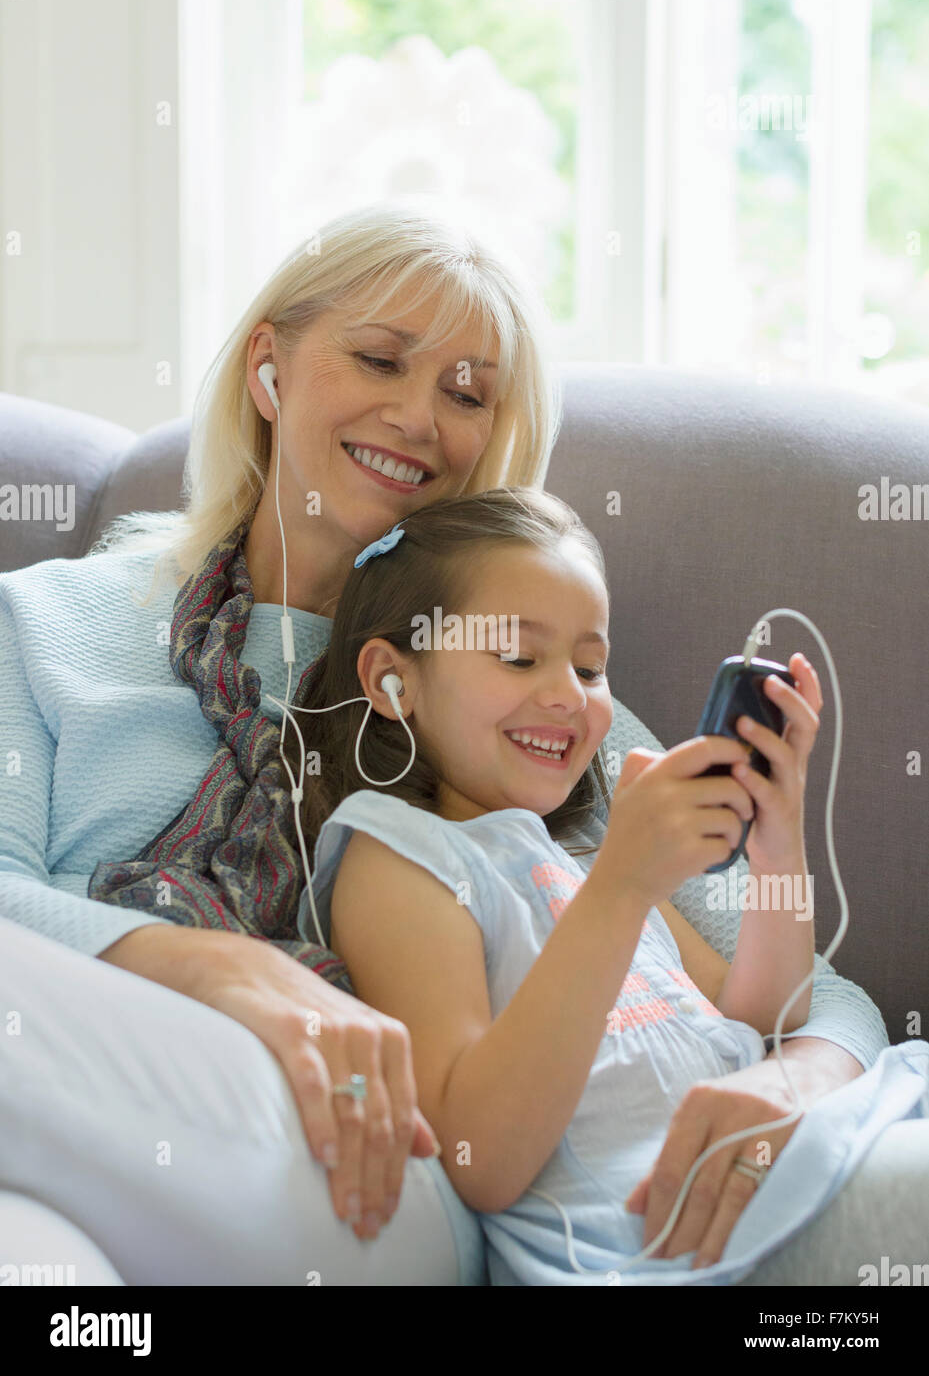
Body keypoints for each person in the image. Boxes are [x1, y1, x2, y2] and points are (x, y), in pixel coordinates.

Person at [0, 200, 915, 1286]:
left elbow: (808, 992)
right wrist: (216, 965)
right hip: (89, 1136)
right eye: (378, 358)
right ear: (269, 367)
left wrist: (790, 1087)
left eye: (466, 392)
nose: (417, 416)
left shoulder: (527, 697)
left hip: (380, 1172)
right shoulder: (49, 622)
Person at [277, 485, 929, 1285]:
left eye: (589, 666)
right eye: (518, 656)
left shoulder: (585, 855)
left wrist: (776, 838)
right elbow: (477, 1154)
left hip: (808, 1148)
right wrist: (621, 886)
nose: (567, 695)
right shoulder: (401, 858)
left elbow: (762, 1016)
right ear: (392, 681)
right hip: (678, 1236)